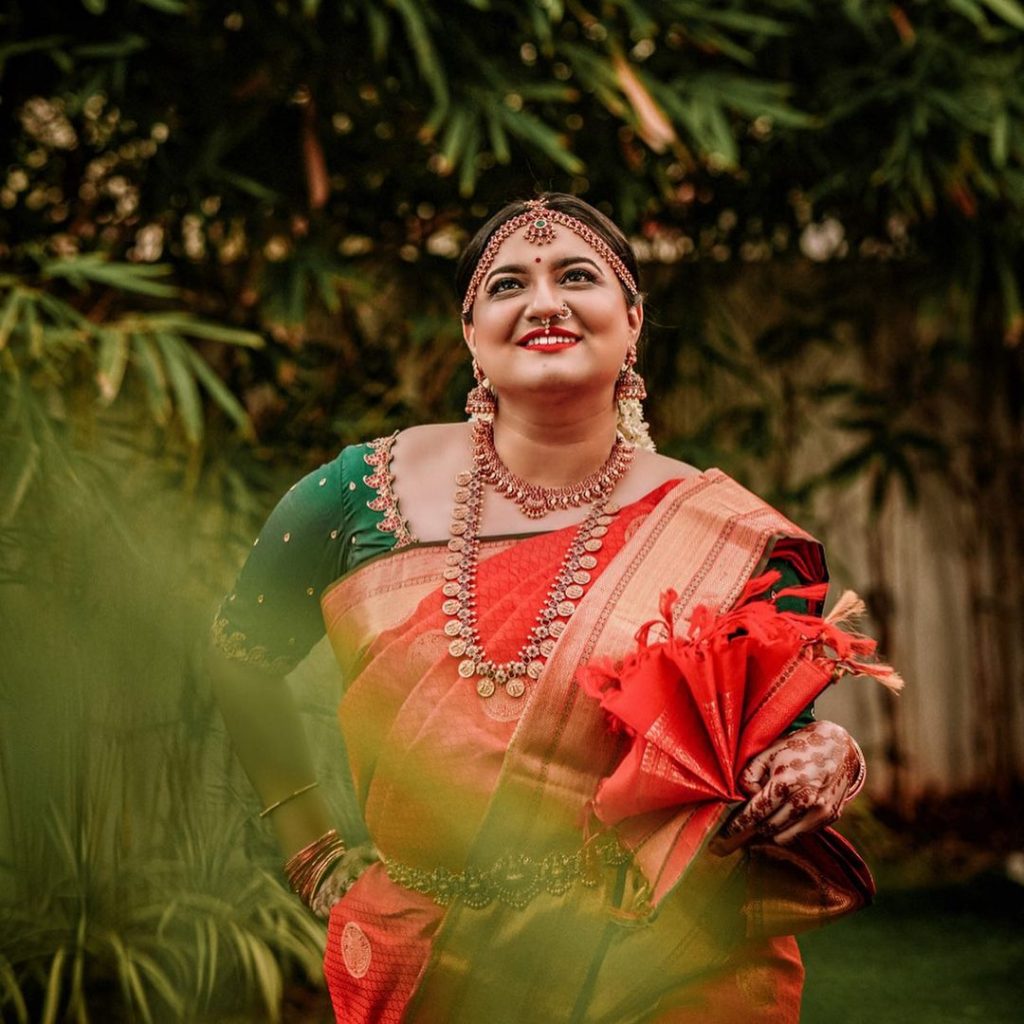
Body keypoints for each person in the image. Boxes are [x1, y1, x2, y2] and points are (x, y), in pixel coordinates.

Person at [208, 193, 869, 1023]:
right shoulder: (357, 496)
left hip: (664, 957)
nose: (545, 300)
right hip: (430, 959)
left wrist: (830, 756)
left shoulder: (717, 531)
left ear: (632, 321)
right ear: (472, 337)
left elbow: (782, 730)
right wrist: (311, 851)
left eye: (578, 275)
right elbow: (240, 655)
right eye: (508, 283)